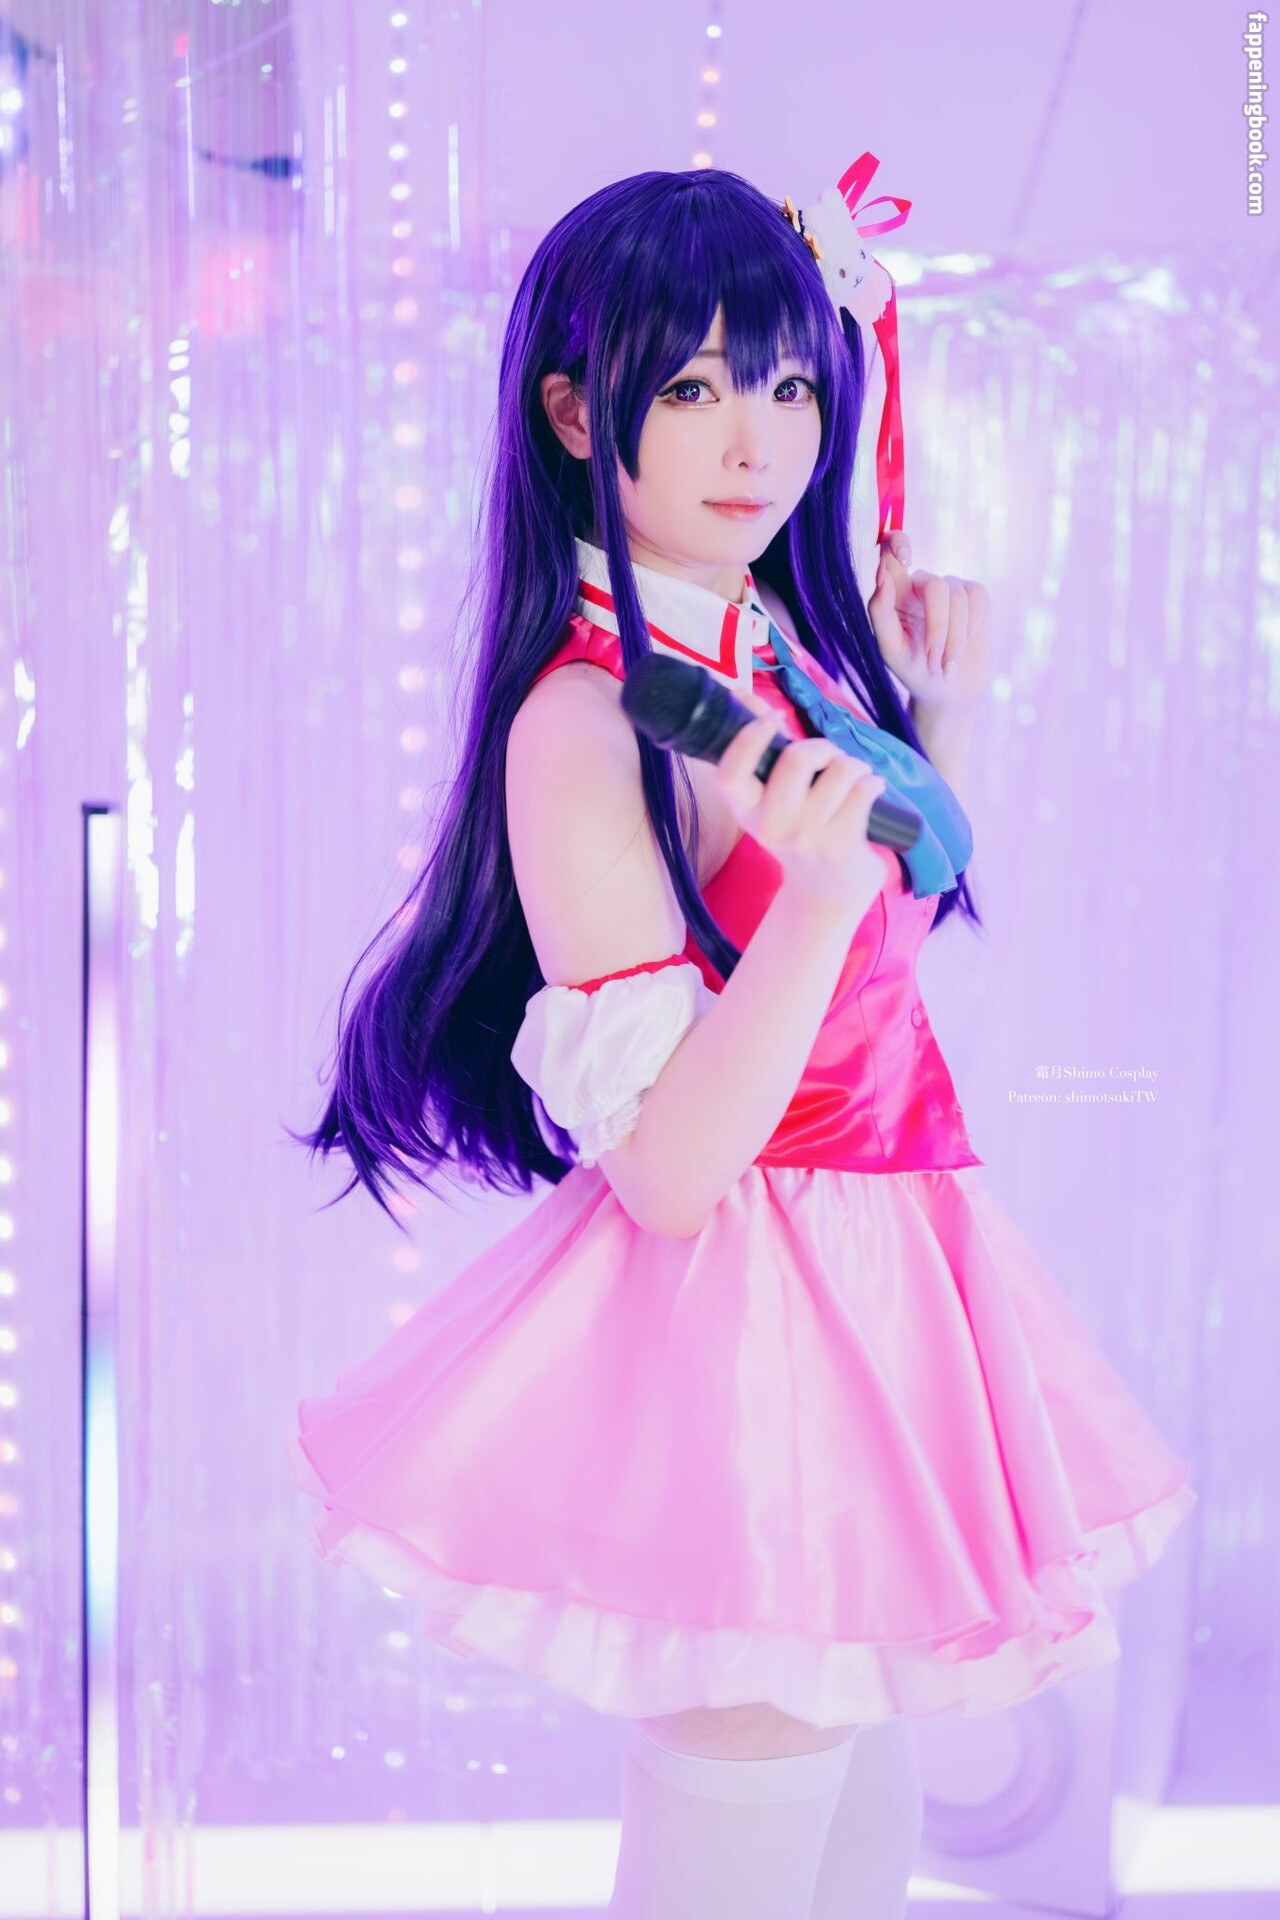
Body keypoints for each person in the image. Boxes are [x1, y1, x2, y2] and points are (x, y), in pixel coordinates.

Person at [285, 167, 1196, 1919]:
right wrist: (823, 889)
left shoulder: (768, 642)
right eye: (693, 386)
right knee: (756, 1845)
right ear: (576, 414)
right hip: (755, 1332)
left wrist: (935, 725)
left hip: (882, 1279)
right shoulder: (585, 717)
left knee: (852, 1850)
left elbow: (875, 935)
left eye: (787, 383)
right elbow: (673, 1169)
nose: (757, 440)